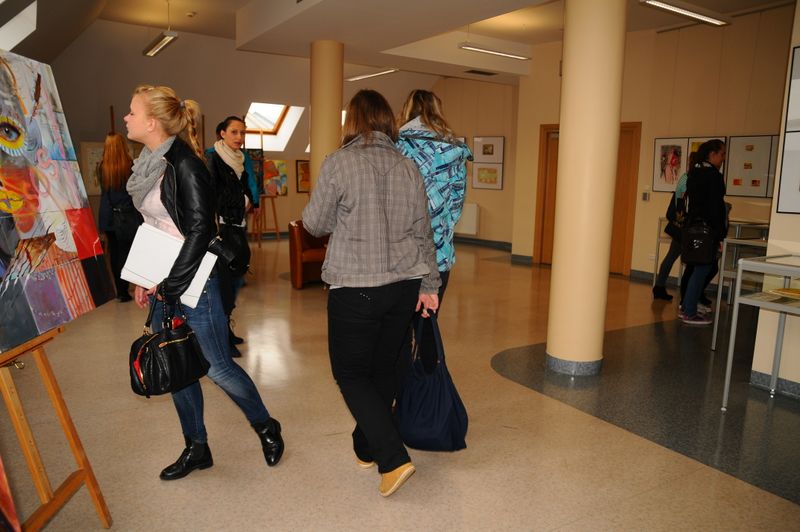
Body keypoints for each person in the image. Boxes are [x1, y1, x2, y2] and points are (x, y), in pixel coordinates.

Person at [124, 84, 284, 480]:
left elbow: (200, 232)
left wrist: (171, 284)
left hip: (194, 279)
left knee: (217, 367)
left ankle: (266, 426)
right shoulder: (150, 164)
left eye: (132, 112)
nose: (127, 118)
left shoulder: (186, 165)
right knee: (178, 363)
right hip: (164, 278)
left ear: (152, 122)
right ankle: (197, 448)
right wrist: (144, 277)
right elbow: (156, 225)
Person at [302, 89, 440, 497]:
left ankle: (393, 459)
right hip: (404, 287)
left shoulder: (338, 163)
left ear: (353, 121)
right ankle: (367, 445)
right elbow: (424, 233)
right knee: (383, 368)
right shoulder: (408, 166)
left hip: (357, 288)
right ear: (386, 122)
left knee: (350, 374)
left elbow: (315, 223)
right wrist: (430, 285)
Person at [396, 89, 472, 370]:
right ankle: (428, 382)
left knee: (398, 328)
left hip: (400, 254)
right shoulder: (454, 151)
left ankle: (401, 386)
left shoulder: (394, 146)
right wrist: (440, 229)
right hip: (438, 255)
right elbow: (456, 205)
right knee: (428, 322)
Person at [204, 116, 260, 357]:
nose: (239, 137)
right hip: (221, 229)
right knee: (224, 285)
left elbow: (245, 188)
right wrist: (243, 200)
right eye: (234, 132)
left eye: (242, 132)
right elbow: (214, 196)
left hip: (237, 226)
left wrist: (247, 199)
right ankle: (222, 338)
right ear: (222, 133)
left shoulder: (240, 159)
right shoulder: (213, 159)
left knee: (236, 279)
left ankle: (225, 327)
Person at [680, 139, 727, 326]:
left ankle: (686, 307)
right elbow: (716, 209)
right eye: (722, 154)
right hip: (707, 230)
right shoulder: (713, 176)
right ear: (712, 154)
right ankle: (690, 312)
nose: (723, 158)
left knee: (696, 268)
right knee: (703, 268)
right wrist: (720, 234)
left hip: (693, 227)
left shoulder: (694, 173)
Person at [97, 132, 142, 302]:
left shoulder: (102, 167)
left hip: (109, 216)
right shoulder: (130, 165)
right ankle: (133, 286)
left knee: (114, 254)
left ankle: (121, 291)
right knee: (129, 252)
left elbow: (105, 193)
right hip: (127, 216)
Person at [653, 151, 698, 301]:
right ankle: (684, 296)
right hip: (685, 226)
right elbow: (686, 203)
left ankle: (659, 287)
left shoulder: (685, 177)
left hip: (680, 224)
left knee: (671, 256)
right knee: (687, 260)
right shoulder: (690, 179)